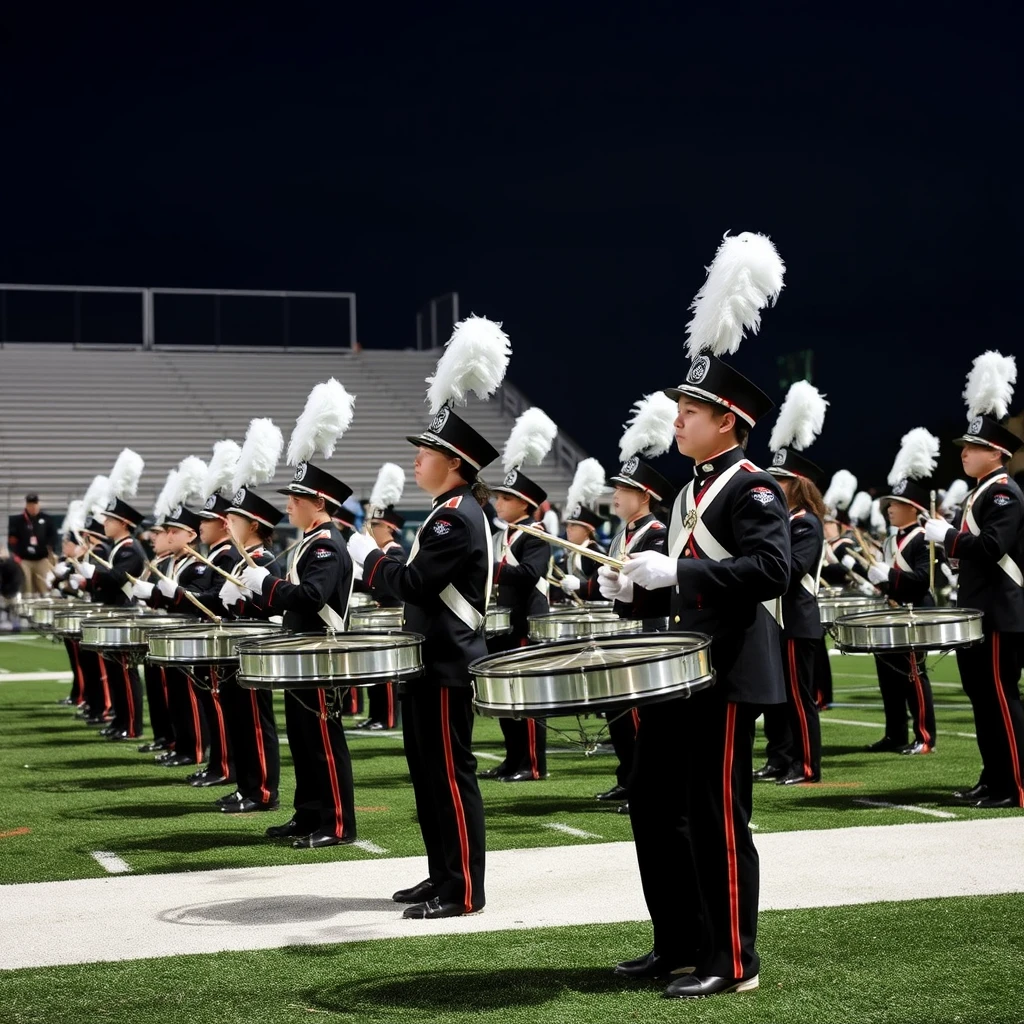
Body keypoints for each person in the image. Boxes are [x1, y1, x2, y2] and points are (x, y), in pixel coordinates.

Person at [605, 231, 790, 999]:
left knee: (715, 819)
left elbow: (772, 571)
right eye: (681, 407)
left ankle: (732, 959)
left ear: (730, 422)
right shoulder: (687, 492)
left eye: (692, 409)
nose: (677, 419)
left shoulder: (754, 488)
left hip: (724, 677)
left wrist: (676, 567)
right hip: (676, 672)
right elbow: (688, 582)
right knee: (654, 806)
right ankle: (678, 942)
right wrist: (642, 587)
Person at [347, 405, 496, 918]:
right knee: (430, 777)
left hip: (446, 663)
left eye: (425, 451)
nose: (415, 459)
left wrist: (371, 557)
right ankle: (442, 875)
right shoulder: (446, 509)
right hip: (429, 662)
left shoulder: (454, 515)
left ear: (454, 462)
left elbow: (411, 584)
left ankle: (463, 891)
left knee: (450, 777)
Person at [924, 352, 1024, 808]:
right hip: (983, 611)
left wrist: (948, 536)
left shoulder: (1002, 492)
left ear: (997, 453)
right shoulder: (980, 493)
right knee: (983, 701)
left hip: (1003, 613)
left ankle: (1014, 785)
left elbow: (992, 549)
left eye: (972, 447)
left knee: (1001, 700)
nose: (963, 453)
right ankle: (993, 778)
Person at [242, 459, 358, 848]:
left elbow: (312, 597)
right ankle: (309, 813)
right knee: (304, 739)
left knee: (324, 741)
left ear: (319, 502)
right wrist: (258, 592)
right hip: (302, 654)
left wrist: (268, 583)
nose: (289, 504)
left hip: (321, 654)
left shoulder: (326, 544)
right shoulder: (311, 542)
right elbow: (293, 604)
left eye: (297, 497)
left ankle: (337, 823)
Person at [595, 395, 677, 808]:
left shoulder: (658, 533)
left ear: (644, 495)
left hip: (654, 635)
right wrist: (611, 587)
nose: (615, 496)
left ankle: (647, 784)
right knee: (620, 713)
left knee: (645, 717)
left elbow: (662, 589)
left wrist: (629, 591)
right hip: (626, 632)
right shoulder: (623, 533)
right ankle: (629, 777)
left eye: (623, 489)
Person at [755, 382, 829, 786]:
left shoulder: (807, 524)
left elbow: (792, 567)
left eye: (780, 482)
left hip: (798, 619)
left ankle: (807, 765)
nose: (773, 487)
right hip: (779, 620)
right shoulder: (786, 523)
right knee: (777, 697)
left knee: (800, 699)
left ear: (797, 485)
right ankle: (779, 758)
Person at [864, 430, 941, 755]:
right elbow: (889, 580)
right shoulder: (887, 540)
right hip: (891, 612)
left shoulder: (924, 538)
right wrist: (876, 581)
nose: (889, 508)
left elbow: (923, 580)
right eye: (889, 504)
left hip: (914, 612)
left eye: (896, 504)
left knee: (913, 674)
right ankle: (894, 733)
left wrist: (890, 575)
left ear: (913, 507)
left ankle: (924, 736)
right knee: (888, 676)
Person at [358, 503, 406, 731]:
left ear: (390, 527)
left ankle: (386, 717)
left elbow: (390, 586)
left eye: (376, 524)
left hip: (390, 617)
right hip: (377, 617)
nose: (370, 528)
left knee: (385, 671)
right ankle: (374, 714)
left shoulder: (395, 552)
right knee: (373, 669)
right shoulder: (381, 553)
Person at [8, 493, 57, 595]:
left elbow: (53, 537)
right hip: (24, 560)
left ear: (38, 504)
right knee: (26, 587)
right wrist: (15, 556)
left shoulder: (47, 519)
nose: (33, 507)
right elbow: (12, 540)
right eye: (30, 505)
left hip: (42, 559)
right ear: (26, 505)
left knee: (45, 586)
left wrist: (51, 552)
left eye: (35, 504)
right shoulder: (17, 521)